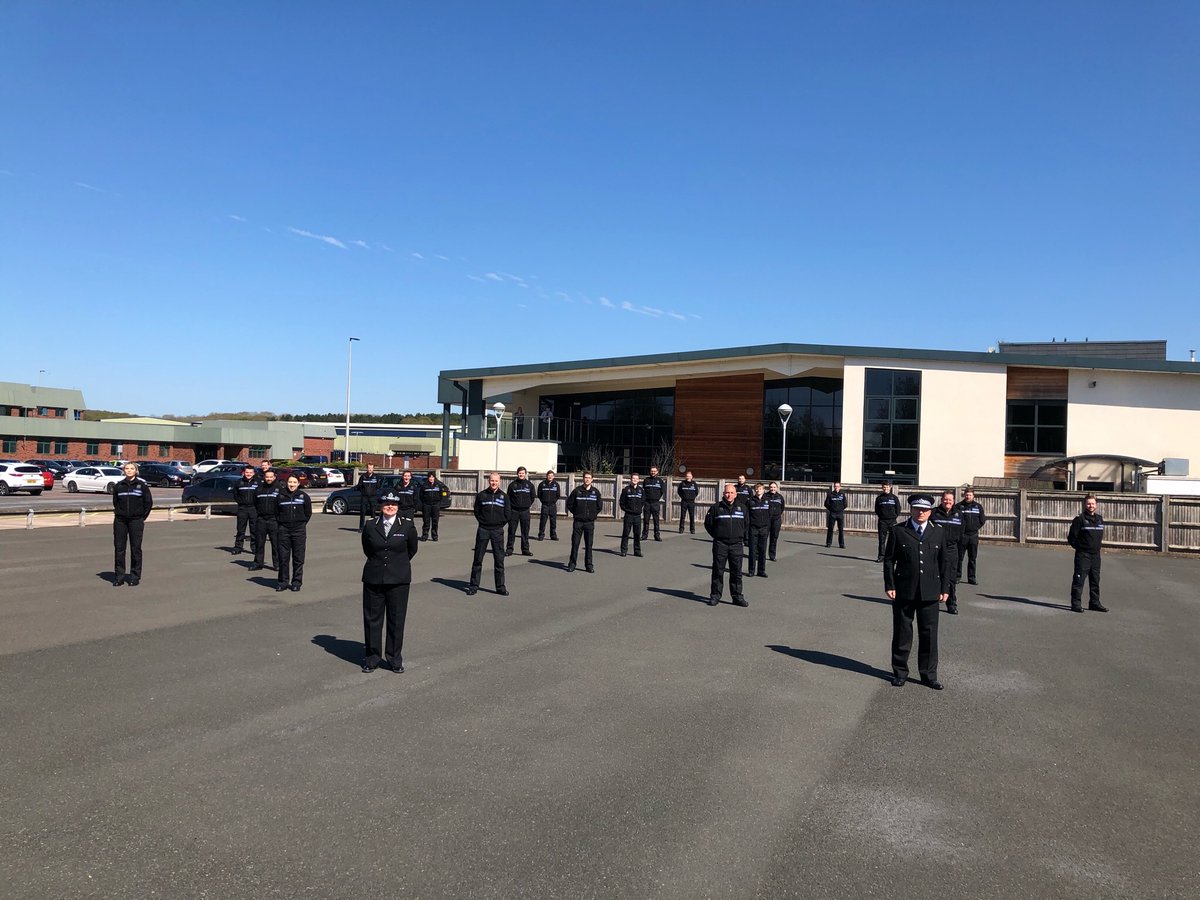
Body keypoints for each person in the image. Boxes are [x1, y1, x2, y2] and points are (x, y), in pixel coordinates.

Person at [884, 494, 950, 689]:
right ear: (910, 510)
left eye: (925, 510)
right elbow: (889, 560)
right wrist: (890, 585)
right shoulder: (898, 531)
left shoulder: (938, 531)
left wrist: (945, 588)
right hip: (904, 590)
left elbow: (944, 562)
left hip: (930, 591)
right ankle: (900, 671)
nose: (920, 512)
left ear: (930, 512)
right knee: (902, 632)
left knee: (929, 634)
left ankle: (929, 675)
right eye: (917, 509)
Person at [360, 491, 419, 673]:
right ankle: (372, 658)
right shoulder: (371, 525)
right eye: (386, 504)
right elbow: (368, 549)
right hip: (374, 578)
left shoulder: (407, 526)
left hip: (398, 579)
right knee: (372, 620)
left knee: (396, 620)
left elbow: (412, 550)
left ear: (398, 506)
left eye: (393, 504)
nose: (390, 507)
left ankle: (394, 659)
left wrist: (396, 565)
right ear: (381, 506)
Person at [705, 483, 748, 606]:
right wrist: (718, 535)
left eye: (731, 493)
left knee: (736, 572)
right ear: (723, 494)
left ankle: (737, 597)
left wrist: (739, 536)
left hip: (736, 545)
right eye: (727, 493)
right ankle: (715, 596)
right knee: (718, 571)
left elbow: (746, 525)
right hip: (721, 545)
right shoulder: (716, 508)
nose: (729, 495)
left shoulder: (742, 508)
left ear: (735, 494)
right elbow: (708, 524)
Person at [468, 472, 508, 596]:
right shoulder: (482, 495)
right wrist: (483, 522)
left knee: (499, 560)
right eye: (492, 480)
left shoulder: (504, 497)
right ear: (488, 481)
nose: (494, 483)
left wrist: (499, 524)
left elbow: (508, 514)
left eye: (496, 481)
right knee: (478, 559)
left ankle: (500, 587)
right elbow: (477, 511)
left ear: (499, 482)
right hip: (483, 530)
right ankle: (474, 586)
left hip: (497, 531)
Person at [112, 462, 152, 586]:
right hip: (120, 521)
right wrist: (121, 513)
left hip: (136, 521)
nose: (129, 470)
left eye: (131, 468)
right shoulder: (119, 486)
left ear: (136, 471)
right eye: (127, 468)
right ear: (124, 470)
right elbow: (115, 502)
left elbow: (148, 503)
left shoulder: (142, 486)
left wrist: (141, 517)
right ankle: (119, 576)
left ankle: (134, 577)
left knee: (135, 549)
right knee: (119, 549)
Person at [1067, 494, 1107, 613]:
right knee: (1079, 580)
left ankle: (1094, 603)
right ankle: (1076, 604)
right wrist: (1081, 548)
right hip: (1083, 555)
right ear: (1085, 505)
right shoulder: (1079, 519)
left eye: (1093, 503)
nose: (1091, 506)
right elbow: (1071, 538)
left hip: (1096, 555)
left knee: (1095, 580)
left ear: (1096, 505)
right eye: (1089, 503)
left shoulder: (1099, 519)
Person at [275, 473, 312, 592]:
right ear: (287, 483)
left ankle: (296, 582)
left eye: (294, 482)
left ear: (298, 484)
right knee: (283, 557)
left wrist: (300, 524)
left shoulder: (304, 496)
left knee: (298, 557)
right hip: (284, 530)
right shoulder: (280, 496)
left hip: (299, 530)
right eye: (290, 482)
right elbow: (276, 513)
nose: (292, 485)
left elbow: (308, 513)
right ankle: (283, 582)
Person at [930, 491, 963, 615]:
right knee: (934, 576)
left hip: (951, 549)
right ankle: (932, 600)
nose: (947, 502)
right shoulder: (934, 513)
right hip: (936, 548)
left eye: (950, 500)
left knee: (951, 579)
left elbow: (961, 532)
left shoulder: (959, 514)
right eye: (945, 499)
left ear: (953, 501)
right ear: (941, 500)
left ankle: (951, 603)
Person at [566, 471, 601, 573]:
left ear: (592, 479)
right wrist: (576, 513)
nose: (587, 479)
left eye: (589, 478)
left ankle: (589, 565)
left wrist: (592, 515)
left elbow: (599, 506)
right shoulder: (577, 491)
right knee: (575, 544)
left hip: (589, 523)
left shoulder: (595, 492)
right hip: (578, 522)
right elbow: (570, 504)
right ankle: (572, 564)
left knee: (589, 545)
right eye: (585, 477)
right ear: (583, 479)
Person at [954, 486, 987, 585]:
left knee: (972, 558)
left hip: (973, 536)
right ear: (964, 495)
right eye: (967, 495)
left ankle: (971, 578)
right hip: (962, 536)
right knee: (959, 558)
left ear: (973, 496)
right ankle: (957, 577)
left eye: (970, 495)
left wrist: (974, 528)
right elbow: (955, 520)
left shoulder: (978, 507)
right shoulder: (958, 506)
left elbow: (982, 520)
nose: (968, 496)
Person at [251, 469, 280, 572]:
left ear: (274, 477)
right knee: (259, 543)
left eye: (271, 477)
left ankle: (277, 564)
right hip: (261, 520)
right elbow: (255, 503)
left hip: (274, 520)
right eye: (267, 477)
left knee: (276, 544)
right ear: (264, 477)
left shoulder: (279, 489)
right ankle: (258, 563)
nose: (269, 479)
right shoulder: (258, 489)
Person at [505, 466, 535, 556]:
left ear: (525, 474)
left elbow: (532, 497)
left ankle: (525, 549)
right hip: (514, 511)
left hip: (525, 511)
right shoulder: (512, 485)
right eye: (519, 473)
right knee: (511, 531)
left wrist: (527, 504)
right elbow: (508, 497)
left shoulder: (529, 485)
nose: (521, 474)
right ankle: (509, 549)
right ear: (517, 474)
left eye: (522, 473)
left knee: (525, 531)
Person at [232, 465, 259, 555]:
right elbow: (235, 494)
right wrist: (241, 502)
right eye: (247, 472)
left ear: (253, 473)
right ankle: (238, 547)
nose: (248, 474)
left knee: (254, 529)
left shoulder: (258, 482)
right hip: (242, 509)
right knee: (240, 529)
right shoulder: (238, 482)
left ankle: (255, 548)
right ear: (244, 473)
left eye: (250, 472)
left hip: (254, 509)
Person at [746, 483, 772, 577]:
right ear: (754, 490)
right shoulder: (750, 501)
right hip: (753, 529)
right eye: (756, 489)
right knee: (752, 550)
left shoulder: (768, 500)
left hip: (764, 529)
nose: (758, 490)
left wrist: (767, 526)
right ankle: (751, 570)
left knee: (762, 550)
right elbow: (747, 515)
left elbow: (770, 515)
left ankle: (761, 571)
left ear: (763, 490)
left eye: (760, 489)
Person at [619, 473, 645, 557]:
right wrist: (627, 510)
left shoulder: (641, 490)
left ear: (638, 480)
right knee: (626, 533)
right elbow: (622, 503)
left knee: (637, 534)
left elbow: (643, 501)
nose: (634, 480)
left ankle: (637, 551)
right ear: (631, 479)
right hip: (628, 515)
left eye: (636, 479)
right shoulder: (626, 490)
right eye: (633, 478)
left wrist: (638, 509)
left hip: (637, 516)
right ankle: (623, 550)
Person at [873, 481, 900, 562]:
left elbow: (898, 509)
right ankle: (881, 556)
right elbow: (877, 509)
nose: (886, 488)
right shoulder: (879, 498)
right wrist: (881, 517)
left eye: (887, 487)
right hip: (882, 521)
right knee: (882, 540)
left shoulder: (894, 498)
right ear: (882, 488)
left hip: (892, 521)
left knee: (893, 539)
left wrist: (894, 516)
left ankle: (892, 557)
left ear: (890, 487)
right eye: (884, 487)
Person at [419, 471, 446, 541]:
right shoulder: (424, 485)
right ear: (428, 478)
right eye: (430, 477)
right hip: (426, 505)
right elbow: (421, 496)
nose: (431, 478)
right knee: (426, 521)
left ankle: (434, 536)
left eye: (432, 477)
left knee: (435, 521)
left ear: (434, 478)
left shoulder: (438, 485)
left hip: (435, 505)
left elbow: (441, 495)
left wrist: (438, 503)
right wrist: (425, 502)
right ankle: (425, 535)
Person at [641, 466, 665, 541]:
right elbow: (643, 491)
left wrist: (656, 497)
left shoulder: (660, 481)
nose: (653, 472)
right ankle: (644, 535)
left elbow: (662, 491)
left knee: (656, 520)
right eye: (652, 471)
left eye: (654, 471)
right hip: (647, 503)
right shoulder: (646, 480)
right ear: (650, 472)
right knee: (646, 520)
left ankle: (657, 535)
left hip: (655, 503)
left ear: (657, 472)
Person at [536, 470, 561, 541]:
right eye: (549, 475)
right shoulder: (542, 484)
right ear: (547, 476)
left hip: (553, 505)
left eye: (551, 475)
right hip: (545, 505)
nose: (550, 477)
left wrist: (553, 501)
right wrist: (543, 501)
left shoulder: (556, 485)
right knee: (543, 521)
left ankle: (553, 535)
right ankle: (541, 535)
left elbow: (558, 495)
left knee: (553, 521)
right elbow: (539, 494)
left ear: (553, 477)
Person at [357, 463, 381, 532]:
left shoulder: (376, 477)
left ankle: (372, 527)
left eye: (371, 468)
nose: (370, 469)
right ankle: (361, 527)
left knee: (373, 512)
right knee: (362, 512)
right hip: (364, 497)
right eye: (369, 468)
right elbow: (359, 486)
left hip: (373, 497)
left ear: (373, 469)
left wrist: (373, 492)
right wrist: (363, 492)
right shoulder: (363, 476)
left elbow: (378, 486)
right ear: (367, 468)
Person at [824, 481, 847, 549]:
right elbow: (826, 504)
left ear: (840, 487)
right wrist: (831, 509)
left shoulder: (842, 494)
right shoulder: (830, 494)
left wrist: (840, 509)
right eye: (835, 486)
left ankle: (841, 544)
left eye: (838, 486)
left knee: (841, 529)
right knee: (830, 529)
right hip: (832, 514)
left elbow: (845, 504)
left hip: (840, 514)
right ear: (834, 487)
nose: (836, 488)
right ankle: (828, 543)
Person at [766, 481, 785, 560]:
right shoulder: (765, 496)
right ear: (769, 488)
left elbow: (782, 508)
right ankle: (759, 554)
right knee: (763, 538)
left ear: (776, 488)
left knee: (774, 538)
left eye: (774, 487)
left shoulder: (780, 497)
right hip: (766, 520)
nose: (772, 489)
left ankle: (772, 555)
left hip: (776, 520)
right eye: (771, 487)